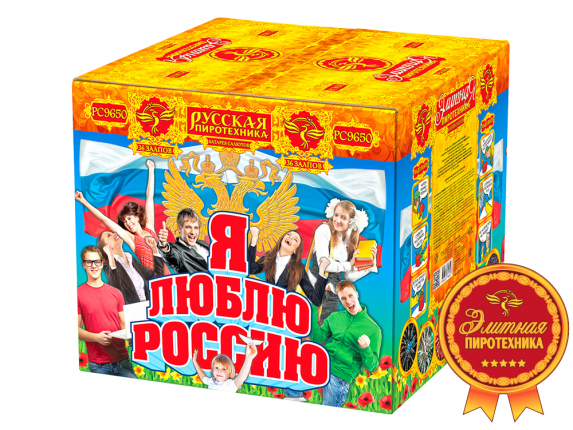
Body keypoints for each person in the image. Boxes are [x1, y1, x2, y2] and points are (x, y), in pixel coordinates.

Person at [74, 159, 169, 275]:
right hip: (153, 280)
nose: (127, 223)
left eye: (129, 218)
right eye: (124, 221)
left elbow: (149, 196)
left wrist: (151, 170)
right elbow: (104, 219)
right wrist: (83, 201)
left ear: (137, 217)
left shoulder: (150, 228)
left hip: (169, 276)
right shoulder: (132, 239)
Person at [309, 280, 381, 407]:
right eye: (343, 298)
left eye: (350, 295)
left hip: (339, 377)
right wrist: (314, 308)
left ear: (357, 294)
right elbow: (317, 338)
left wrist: (366, 349)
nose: (348, 301)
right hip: (322, 364)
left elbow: (372, 365)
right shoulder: (335, 317)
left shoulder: (373, 329)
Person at [308, 199, 378, 323]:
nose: (337, 220)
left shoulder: (349, 242)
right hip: (314, 289)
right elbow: (323, 264)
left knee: (324, 332)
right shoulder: (324, 230)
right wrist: (349, 264)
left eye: (343, 218)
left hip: (332, 297)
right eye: (336, 215)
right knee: (306, 327)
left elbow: (349, 276)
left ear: (351, 221)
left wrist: (371, 263)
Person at [77, 246, 137, 378]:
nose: (94, 266)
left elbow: (123, 324)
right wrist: (96, 338)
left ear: (101, 263)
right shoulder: (77, 294)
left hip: (123, 361)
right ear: (84, 265)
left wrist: (131, 338)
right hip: (98, 365)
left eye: (97, 262)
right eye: (89, 262)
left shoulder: (116, 293)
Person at [248, 227, 329, 307]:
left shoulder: (299, 269)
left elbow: (316, 300)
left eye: (295, 239)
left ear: (295, 250)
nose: (290, 237)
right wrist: (254, 240)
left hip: (285, 309)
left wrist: (322, 271)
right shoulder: (269, 257)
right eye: (289, 234)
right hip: (266, 306)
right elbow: (250, 269)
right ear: (281, 240)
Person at [96, 231, 165, 305]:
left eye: (112, 233)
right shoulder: (108, 266)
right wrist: (110, 257)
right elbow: (115, 287)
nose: (115, 234)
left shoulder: (131, 259)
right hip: (130, 311)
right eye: (109, 235)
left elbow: (157, 277)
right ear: (105, 248)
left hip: (147, 308)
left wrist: (154, 249)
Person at [157, 208, 209, 274]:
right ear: (179, 228)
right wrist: (163, 245)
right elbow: (170, 255)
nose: (193, 232)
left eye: (196, 228)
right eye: (188, 227)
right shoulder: (177, 251)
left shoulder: (203, 243)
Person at [191, 344, 258, 393]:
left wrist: (248, 359)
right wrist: (195, 362)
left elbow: (240, 379)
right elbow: (203, 378)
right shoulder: (212, 381)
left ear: (230, 373)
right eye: (216, 368)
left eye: (223, 369)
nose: (219, 371)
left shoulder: (229, 384)